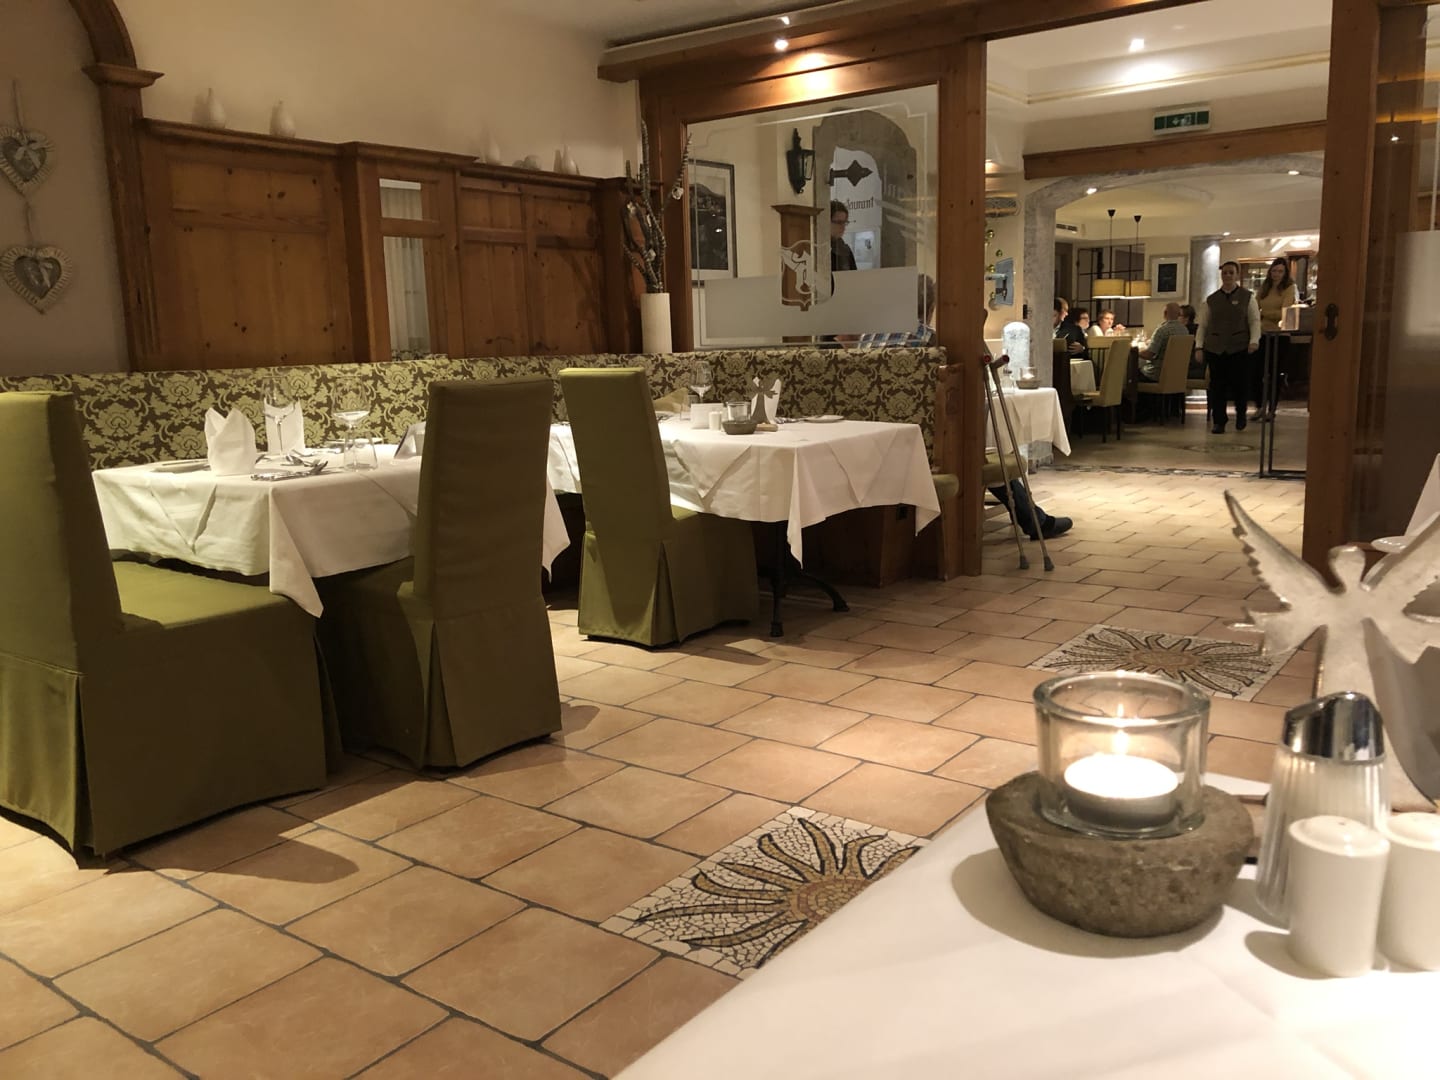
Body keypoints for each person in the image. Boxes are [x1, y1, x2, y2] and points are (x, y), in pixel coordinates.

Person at [1195, 260, 1261, 434]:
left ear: (1237, 275)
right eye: (1225, 272)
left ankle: (1241, 415)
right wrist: (1199, 347)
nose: (1228, 275)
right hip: (1215, 348)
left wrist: (1254, 341)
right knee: (1217, 386)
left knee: (1240, 385)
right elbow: (1203, 325)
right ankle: (1219, 421)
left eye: (1231, 272)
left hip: (1239, 347)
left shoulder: (1248, 297)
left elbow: (1254, 321)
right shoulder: (1211, 300)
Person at [1252, 257, 1297, 418]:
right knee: (1257, 372)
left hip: (1280, 335)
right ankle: (1260, 405)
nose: (1276, 274)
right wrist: (1263, 315)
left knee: (1275, 373)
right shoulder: (1264, 288)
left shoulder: (1289, 288)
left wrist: (1264, 314)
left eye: (1280, 271)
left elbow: (1285, 312)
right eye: (1274, 270)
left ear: (1285, 273)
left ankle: (1272, 408)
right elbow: (1254, 308)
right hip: (1263, 334)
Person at [1137, 302, 1188, 381]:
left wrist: (1135, 351)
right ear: (1179, 314)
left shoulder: (1162, 330)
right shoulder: (1185, 330)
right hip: (1176, 375)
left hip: (1156, 374)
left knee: (1130, 372)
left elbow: (1149, 355)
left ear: (1165, 313)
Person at [829, 200, 857, 273]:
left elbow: (854, 276)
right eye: (839, 222)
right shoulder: (818, 249)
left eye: (845, 222)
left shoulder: (845, 250)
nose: (843, 227)